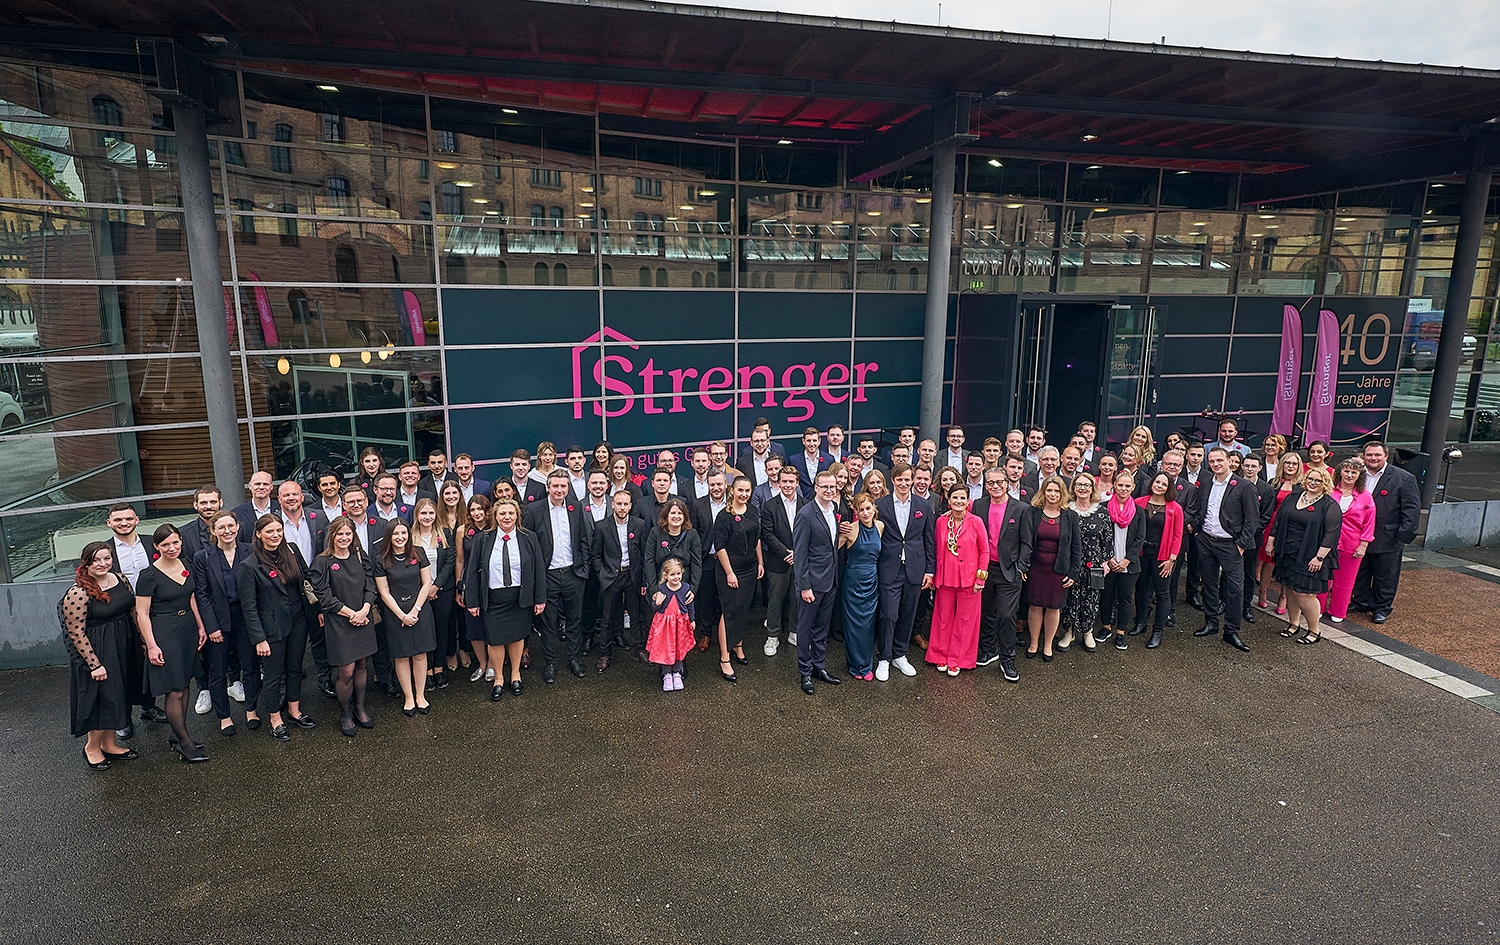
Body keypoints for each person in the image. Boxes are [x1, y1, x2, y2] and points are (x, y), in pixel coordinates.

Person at [238, 514, 318, 741]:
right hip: (271, 627)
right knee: (274, 675)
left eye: (278, 531)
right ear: (258, 534)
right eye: (270, 531)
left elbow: (306, 581)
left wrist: (317, 612)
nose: (275, 535)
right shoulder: (249, 566)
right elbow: (249, 607)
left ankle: (294, 710)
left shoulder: (292, 551)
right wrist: (258, 638)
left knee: (295, 669)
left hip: (298, 620)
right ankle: (275, 718)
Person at [134, 524, 209, 762]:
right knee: (174, 689)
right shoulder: (148, 575)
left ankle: (178, 735)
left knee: (185, 684)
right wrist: (151, 645)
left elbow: (192, 597)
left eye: (175, 542)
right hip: (165, 632)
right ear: (156, 547)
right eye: (165, 544)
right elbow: (142, 613)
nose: (172, 548)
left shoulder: (187, 564)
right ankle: (185, 743)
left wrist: (200, 625)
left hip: (187, 629)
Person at [61, 542, 138, 769]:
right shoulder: (77, 592)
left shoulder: (120, 579)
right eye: (96, 560)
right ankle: (92, 747)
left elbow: (132, 610)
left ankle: (109, 744)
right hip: (99, 651)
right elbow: (75, 632)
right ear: (86, 563)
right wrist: (94, 664)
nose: (102, 564)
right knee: (101, 699)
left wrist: (142, 642)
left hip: (123, 644)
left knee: (117, 696)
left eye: (107, 558)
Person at [465, 497, 546, 701]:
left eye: (511, 513)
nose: (507, 517)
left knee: (517, 638)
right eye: (502, 513)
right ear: (495, 516)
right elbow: (472, 572)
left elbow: (538, 569)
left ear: (517, 515)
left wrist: (540, 598)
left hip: (519, 598)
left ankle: (516, 675)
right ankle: (499, 678)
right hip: (493, 599)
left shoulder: (529, 537)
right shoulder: (483, 539)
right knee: (495, 640)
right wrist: (472, 601)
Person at [308, 516, 378, 738]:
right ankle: (345, 713)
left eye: (348, 534)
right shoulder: (322, 562)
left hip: (363, 618)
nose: (344, 538)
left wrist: (364, 609)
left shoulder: (359, 555)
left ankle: (360, 708)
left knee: (362, 665)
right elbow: (325, 598)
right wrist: (352, 614)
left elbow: (371, 585)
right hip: (340, 623)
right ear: (332, 535)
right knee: (346, 671)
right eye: (340, 534)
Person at [192, 510, 259, 737]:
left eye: (231, 526)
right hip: (218, 619)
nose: (227, 531)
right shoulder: (202, 557)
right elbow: (202, 594)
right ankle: (224, 716)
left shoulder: (251, 550)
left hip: (246, 618)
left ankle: (251, 710)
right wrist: (211, 627)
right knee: (218, 671)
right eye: (221, 527)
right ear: (213, 531)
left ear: (238, 527)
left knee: (250, 666)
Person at [525, 469, 592, 683]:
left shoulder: (576, 507)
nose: (559, 490)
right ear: (548, 487)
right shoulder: (534, 510)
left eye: (563, 486)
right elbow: (528, 545)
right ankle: (550, 663)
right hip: (548, 575)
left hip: (573, 573)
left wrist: (584, 568)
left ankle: (574, 658)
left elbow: (583, 539)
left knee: (574, 619)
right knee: (548, 622)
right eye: (555, 486)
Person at [1191, 447, 1260, 652]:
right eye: (1212, 461)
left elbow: (1252, 519)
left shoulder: (1244, 486)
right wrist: (1197, 532)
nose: (1215, 464)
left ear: (1229, 460)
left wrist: (1241, 544)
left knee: (1235, 589)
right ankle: (1211, 622)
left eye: (1219, 460)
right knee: (1209, 584)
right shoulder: (1205, 483)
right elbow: (1200, 509)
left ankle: (1231, 630)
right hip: (1206, 540)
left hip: (1230, 544)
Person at [1267, 468, 1343, 645]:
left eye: (1318, 480)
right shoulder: (1293, 497)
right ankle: (1294, 624)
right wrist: (1271, 542)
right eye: (1310, 479)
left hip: (1311, 554)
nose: (1313, 483)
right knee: (1290, 589)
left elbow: (1332, 534)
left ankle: (1314, 630)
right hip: (1288, 551)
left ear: (1325, 483)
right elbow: (1278, 522)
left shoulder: (1329, 505)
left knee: (1305, 594)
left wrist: (1320, 557)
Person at [873, 463, 935, 680]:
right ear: (893, 480)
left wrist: (930, 570)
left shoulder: (923, 505)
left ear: (912, 480)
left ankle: (900, 654)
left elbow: (929, 539)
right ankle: (884, 657)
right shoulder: (880, 504)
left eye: (907, 479)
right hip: (889, 567)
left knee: (908, 614)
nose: (904, 483)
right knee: (889, 614)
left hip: (914, 568)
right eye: (899, 479)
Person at [1351, 440, 1420, 624]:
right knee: (1361, 571)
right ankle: (1360, 601)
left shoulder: (1403, 478)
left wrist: (1403, 535)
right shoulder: (1356, 475)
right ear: (1364, 456)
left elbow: (1411, 509)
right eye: (1369, 455)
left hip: (1388, 536)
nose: (1373, 458)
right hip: (1357, 534)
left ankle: (1381, 608)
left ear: (1386, 456)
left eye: (1377, 455)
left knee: (1385, 575)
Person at [926, 484, 988, 676]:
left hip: (969, 579)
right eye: (955, 497)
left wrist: (980, 579)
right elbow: (936, 549)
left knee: (965, 620)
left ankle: (958, 659)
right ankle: (940, 654)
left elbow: (984, 551)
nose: (958, 501)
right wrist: (934, 575)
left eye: (962, 498)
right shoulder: (941, 522)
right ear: (949, 500)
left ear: (968, 501)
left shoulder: (976, 522)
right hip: (945, 577)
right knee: (942, 618)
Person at [794, 470, 844, 695]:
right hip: (812, 583)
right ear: (816, 488)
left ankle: (818, 666)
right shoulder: (805, 514)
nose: (829, 490)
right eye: (824, 487)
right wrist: (804, 586)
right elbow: (800, 554)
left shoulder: (834, 509)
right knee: (805, 629)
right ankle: (805, 671)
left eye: (832, 486)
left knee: (822, 628)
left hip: (830, 580)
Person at [1020, 477, 1080, 661]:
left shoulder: (1070, 516)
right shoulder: (1033, 512)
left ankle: (1047, 646)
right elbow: (1024, 541)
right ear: (1043, 492)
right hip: (1035, 568)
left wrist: (1074, 572)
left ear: (1062, 494)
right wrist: (1023, 566)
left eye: (1056, 491)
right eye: (1049, 490)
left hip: (1059, 570)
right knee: (1035, 606)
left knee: (1054, 608)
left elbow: (1076, 547)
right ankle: (1033, 643)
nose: (1052, 494)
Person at [711, 476, 764, 682]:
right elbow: (720, 547)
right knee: (730, 611)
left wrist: (760, 562)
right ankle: (724, 658)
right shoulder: (724, 516)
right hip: (730, 570)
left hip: (750, 568)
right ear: (732, 490)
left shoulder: (753, 511)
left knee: (743, 609)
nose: (744, 494)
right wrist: (730, 573)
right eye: (740, 490)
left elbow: (756, 539)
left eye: (747, 491)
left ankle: (738, 645)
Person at [1315, 459, 1375, 625]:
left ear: (1359, 476)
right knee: (1322, 576)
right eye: (1346, 471)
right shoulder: (1328, 491)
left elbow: (1369, 522)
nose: (1349, 475)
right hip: (1326, 542)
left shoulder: (1366, 497)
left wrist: (1363, 545)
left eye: (1354, 472)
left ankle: (1338, 610)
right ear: (1339, 472)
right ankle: (1317, 608)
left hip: (1351, 544)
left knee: (1345, 580)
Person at [591, 490, 644, 673]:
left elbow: (643, 554)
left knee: (635, 615)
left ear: (630, 505)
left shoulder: (639, 525)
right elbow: (595, 555)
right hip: (611, 576)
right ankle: (605, 654)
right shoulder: (601, 526)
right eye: (619, 504)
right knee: (608, 617)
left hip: (632, 575)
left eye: (625, 504)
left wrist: (643, 580)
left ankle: (639, 649)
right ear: (612, 504)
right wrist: (602, 573)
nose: (622, 507)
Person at [1132, 472, 1184, 648]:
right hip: (1141, 553)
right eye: (1157, 482)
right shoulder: (1139, 502)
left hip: (1163, 556)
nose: (1159, 486)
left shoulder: (1175, 508)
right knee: (1141, 589)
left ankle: (1157, 631)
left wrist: (1172, 559)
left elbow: (1177, 535)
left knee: (1162, 593)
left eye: (1164, 484)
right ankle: (1141, 622)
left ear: (1169, 488)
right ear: (1151, 483)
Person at [411, 498, 457, 690]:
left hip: (442, 591)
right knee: (424, 632)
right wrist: (425, 589)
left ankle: (438, 668)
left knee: (441, 630)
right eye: (423, 513)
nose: (427, 517)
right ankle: (427, 670)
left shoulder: (444, 533)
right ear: (417, 515)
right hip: (419, 593)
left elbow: (450, 562)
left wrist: (436, 586)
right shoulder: (409, 536)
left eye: (431, 513)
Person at [1061, 472, 1108, 653]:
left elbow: (1107, 539)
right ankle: (1069, 632)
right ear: (1073, 488)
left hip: (1093, 561)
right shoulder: (1066, 510)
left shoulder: (1101, 512)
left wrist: (1105, 561)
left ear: (1092, 488)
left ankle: (1088, 632)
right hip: (1070, 561)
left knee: (1091, 597)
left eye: (1086, 485)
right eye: (1079, 485)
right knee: (1069, 597)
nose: (1082, 488)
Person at [838, 491, 883, 681]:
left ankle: (866, 664)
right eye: (861, 510)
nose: (865, 513)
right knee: (853, 625)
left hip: (872, 582)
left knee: (868, 624)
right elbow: (830, 549)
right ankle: (855, 665)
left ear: (874, 508)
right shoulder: (850, 529)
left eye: (868, 508)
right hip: (853, 583)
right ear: (855, 511)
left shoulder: (880, 526)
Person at [1099, 472, 1146, 650]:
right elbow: (1101, 536)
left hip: (1129, 564)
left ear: (1133, 488)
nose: (1123, 489)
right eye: (1120, 485)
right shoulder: (1104, 508)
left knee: (1125, 598)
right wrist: (1109, 557)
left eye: (1127, 486)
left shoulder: (1139, 511)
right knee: (1107, 596)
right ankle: (1106, 627)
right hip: (1109, 562)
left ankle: (1120, 632)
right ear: (1114, 486)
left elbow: (1140, 538)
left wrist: (1127, 559)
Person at [1256, 452, 1304, 614]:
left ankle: (1283, 596)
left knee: (1285, 562)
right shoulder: (1273, 482)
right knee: (1268, 561)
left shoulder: (1302, 486)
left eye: (1294, 464)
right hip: (1272, 524)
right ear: (1282, 464)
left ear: (1299, 467)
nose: (1290, 466)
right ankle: (1262, 592)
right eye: (1287, 463)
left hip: (1291, 527)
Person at [761, 465, 801, 657]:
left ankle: (794, 632)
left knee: (797, 599)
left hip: (800, 561)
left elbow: (809, 532)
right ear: (778, 482)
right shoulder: (769, 506)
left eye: (791, 481)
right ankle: (773, 636)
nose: (787, 485)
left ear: (797, 483)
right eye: (784, 481)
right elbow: (767, 534)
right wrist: (786, 553)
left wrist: (798, 553)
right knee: (775, 601)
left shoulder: (806, 504)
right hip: (778, 562)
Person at [645, 557, 696, 692]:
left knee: (679, 648)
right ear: (665, 575)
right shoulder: (661, 588)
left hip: (681, 624)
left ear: (682, 572)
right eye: (672, 574)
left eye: (678, 573)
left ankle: (677, 673)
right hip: (664, 626)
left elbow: (690, 605)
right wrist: (657, 603)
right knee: (665, 649)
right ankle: (667, 674)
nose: (676, 577)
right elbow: (654, 607)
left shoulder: (686, 588)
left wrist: (692, 620)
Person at [691, 470, 729, 650]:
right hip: (707, 559)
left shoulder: (733, 504)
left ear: (725, 484)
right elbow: (693, 533)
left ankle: (728, 634)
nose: (716, 487)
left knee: (726, 599)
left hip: (728, 561)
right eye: (712, 484)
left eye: (719, 484)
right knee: (705, 600)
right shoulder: (698, 505)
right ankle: (705, 634)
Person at [1238, 454, 1277, 626]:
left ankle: (1246, 605)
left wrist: (1247, 532)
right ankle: (1224, 600)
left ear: (1260, 468)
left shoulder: (1266, 489)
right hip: (1232, 537)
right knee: (1228, 573)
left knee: (1249, 573)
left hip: (1252, 539)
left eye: (1253, 466)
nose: (1249, 469)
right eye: (1247, 465)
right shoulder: (1235, 483)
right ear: (1242, 466)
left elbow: (1265, 517)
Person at [457, 496, 492, 682]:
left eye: (480, 509)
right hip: (471, 582)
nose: (477, 513)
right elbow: (460, 559)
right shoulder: (463, 530)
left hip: (492, 582)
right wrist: (459, 586)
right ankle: (482, 664)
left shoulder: (494, 528)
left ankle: (493, 664)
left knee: (492, 626)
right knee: (474, 626)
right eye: (473, 510)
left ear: (487, 510)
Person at [647, 498, 703, 595]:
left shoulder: (692, 534)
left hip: (685, 587)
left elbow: (696, 562)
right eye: (673, 513)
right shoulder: (655, 533)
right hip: (660, 586)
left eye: (680, 513)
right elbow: (649, 561)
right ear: (666, 515)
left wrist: (693, 589)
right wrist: (653, 589)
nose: (676, 516)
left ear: (684, 516)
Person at [232, 470, 280, 535]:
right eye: (257, 484)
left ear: (271, 487)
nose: (261, 487)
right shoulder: (237, 514)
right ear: (250, 486)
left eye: (265, 484)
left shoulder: (281, 509)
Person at [788, 427, 829, 498]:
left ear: (819, 441)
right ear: (803, 441)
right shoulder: (794, 460)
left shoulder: (829, 459)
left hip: (822, 499)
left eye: (814, 440)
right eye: (808, 440)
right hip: (801, 500)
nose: (812, 444)